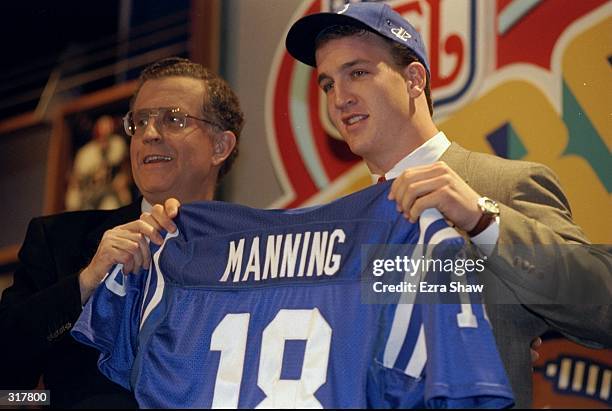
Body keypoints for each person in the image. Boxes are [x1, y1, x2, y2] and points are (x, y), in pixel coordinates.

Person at [285, 3, 611, 408]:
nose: (340, 99)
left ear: (414, 79)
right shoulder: (338, 224)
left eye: (358, 73)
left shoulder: (503, 186)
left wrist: (482, 219)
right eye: (328, 84)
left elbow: (603, 307)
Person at [0, 57, 244, 408]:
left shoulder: (253, 254)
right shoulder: (59, 241)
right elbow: (7, 386)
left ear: (220, 146)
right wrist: (85, 283)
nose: (150, 133)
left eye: (173, 119)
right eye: (139, 121)